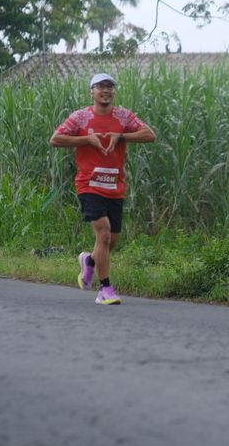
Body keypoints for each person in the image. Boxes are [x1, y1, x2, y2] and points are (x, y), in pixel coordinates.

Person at [50, 73, 155, 305]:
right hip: (89, 184)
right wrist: (86, 140)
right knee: (104, 234)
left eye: (109, 87)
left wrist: (121, 136)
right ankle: (105, 290)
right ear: (92, 91)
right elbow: (55, 139)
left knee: (110, 241)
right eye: (100, 87)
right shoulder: (80, 117)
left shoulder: (123, 116)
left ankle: (89, 262)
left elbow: (150, 135)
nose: (105, 91)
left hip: (114, 186)